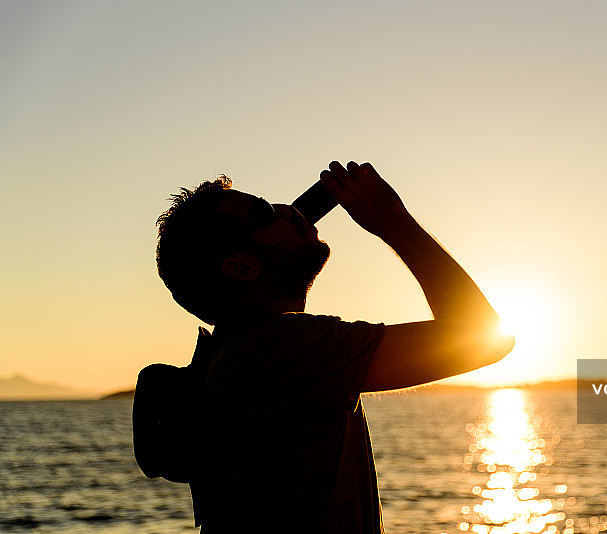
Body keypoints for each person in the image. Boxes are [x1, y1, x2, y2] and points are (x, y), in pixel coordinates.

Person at [154, 161, 514, 532]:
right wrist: (393, 223)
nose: (288, 210)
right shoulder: (280, 347)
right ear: (241, 267)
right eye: (263, 214)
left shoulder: (235, 353)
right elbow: (485, 339)